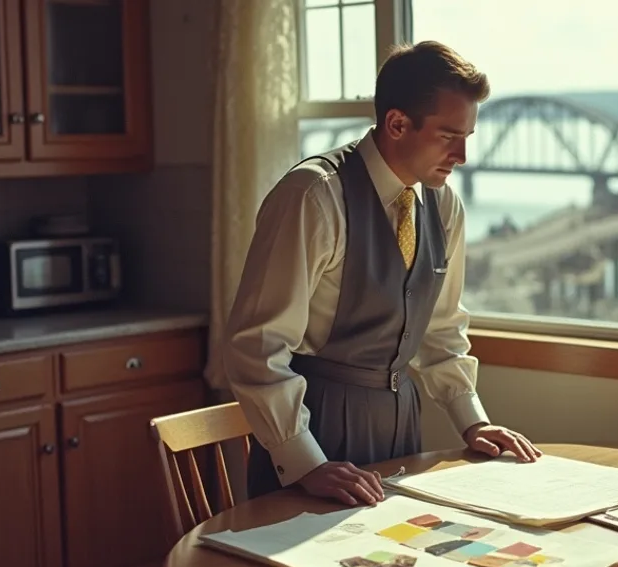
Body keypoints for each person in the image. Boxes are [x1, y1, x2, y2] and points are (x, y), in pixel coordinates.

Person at [222, 40, 542, 507]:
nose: (463, 157)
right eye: (449, 136)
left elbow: (440, 329)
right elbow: (257, 346)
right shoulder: (314, 197)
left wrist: (472, 420)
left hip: (402, 427)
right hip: (316, 427)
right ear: (397, 123)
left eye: (468, 137)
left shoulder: (444, 204)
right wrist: (305, 460)